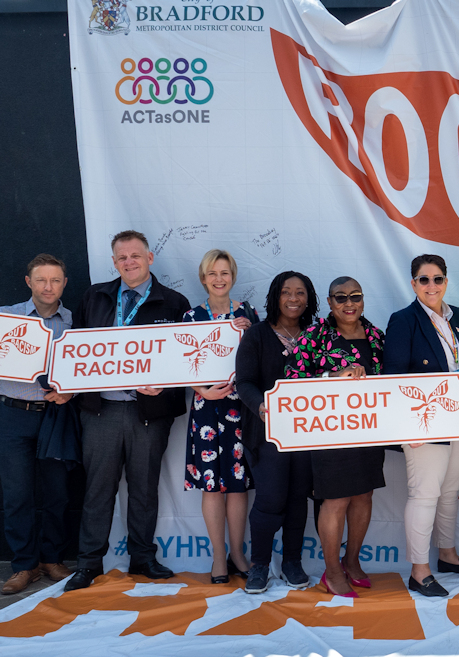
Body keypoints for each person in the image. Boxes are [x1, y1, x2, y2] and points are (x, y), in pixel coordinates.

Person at [65, 230, 191, 592]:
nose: (129, 262)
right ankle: (89, 563)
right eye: (122, 258)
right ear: (114, 262)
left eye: (135, 256)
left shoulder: (174, 302)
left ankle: (142, 557)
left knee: (145, 488)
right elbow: (77, 349)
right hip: (101, 410)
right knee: (97, 489)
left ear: (150, 258)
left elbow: (186, 358)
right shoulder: (96, 296)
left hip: (148, 412)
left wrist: (165, 384)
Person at [382, 255, 459, 598]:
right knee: (425, 495)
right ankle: (419, 571)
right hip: (424, 423)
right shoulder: (403, 320)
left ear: (446, 281)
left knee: (449, 492)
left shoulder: (458, 317)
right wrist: (406, 426)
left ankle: (448, 556)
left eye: (437, 279)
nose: (431, 286)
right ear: (413, 284)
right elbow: (394, 378)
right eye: (423, 280)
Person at [285, 276, 386, 598]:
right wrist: (333, 376)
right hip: (329, 433)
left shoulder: (375, 335)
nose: (348, 303)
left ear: (363, 299)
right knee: (337, 499)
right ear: (329, 303)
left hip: (367, 430)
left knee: (364, 496)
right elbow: (291, 379)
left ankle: (351, 561)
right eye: (340, 298)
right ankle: (331, 572)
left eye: (355, 296)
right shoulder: (315, 335)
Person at [236, 271, 319, 594]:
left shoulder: (317, 334)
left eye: (300, 292)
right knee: (270, 499)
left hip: (306, 433)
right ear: (275, 296)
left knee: (299, 499)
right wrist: (261, 407)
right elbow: (244, 382)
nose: (294, 299)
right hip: (267, 432)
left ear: (308, 298)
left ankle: (292, 562)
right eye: (287, 292)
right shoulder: (257, 335)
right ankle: (259, 566)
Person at [182, 250, 259, 584]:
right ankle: (217, 557)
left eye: (225, 273)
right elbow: (179, 365)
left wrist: (252, 330)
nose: (218, 279)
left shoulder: (248, 314)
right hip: (206, 409)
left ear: (233, 277)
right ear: (203, 278)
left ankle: (238, 553)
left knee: (238, 485)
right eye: (212, 274)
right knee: (212, 486)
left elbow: (261, 361)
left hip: (239, 409)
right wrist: (201, 390)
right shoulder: (190, 317)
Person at [0, 254, 76, 594]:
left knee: (56, 493)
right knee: (17, 494)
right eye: (42, 280)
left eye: (56, 280)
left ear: (64, 284)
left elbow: (84, 372)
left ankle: (51, 558)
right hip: (12, 413)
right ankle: (24, 566)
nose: (49, 286)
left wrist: (70, 394)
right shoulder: (6, 318)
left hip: (55, 417)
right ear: (29, 282)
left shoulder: (74, 324)